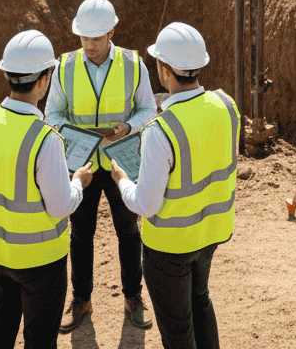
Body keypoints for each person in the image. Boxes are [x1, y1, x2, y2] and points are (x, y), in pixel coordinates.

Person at [110, 22, 237, 349]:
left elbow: (146, 204)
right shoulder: (226, 106)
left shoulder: (160, 130)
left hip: (170, 247)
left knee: (178, 330)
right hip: (211, 232)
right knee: (201, 301)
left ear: (164, 71)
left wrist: (123, 181)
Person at [0, 30, 93, 349]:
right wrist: (78, 181)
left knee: (1, 328)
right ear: (43, 80)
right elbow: (60, 206)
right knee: (39, 340)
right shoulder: (45, 139)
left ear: (8, 74)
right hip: (40, 261)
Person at [44, 0, 156, 333]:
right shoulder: (64, 67)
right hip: (82, 167)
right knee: (80, 235)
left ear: (111, 32)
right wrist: (74, 134)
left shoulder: (134, 64)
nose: (90, 45)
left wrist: (128, 127)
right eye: (84, 38)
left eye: (96, 38)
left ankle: (133, 298)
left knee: (128, 232)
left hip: (120, 162)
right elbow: (52, 113)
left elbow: (148, 109)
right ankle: (81, 300)